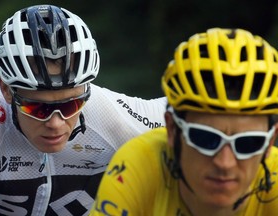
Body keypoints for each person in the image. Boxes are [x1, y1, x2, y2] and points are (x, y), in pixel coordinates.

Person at [0, 4, 166, 216]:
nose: (55, 123)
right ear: (6, 90)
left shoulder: (109, 115)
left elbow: (196, 114)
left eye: (71, 105)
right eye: (36, 107)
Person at [90, 28, 278, 216]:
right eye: (205, 138)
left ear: (270, 143)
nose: (225, 163)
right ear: (172, 130)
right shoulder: (140, 166)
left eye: (248, 143)